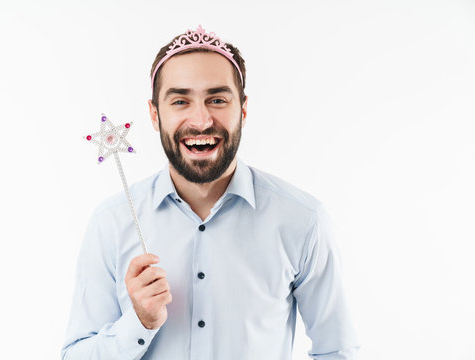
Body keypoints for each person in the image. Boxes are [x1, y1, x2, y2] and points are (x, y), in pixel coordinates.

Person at [62, 25, 359, 360]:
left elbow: (338, 350)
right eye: (180, 101)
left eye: (217, 99)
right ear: (154, 114)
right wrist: (138, 324)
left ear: (243, 110)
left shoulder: (303, 221)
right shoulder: (112, 223)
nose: (201, 120)